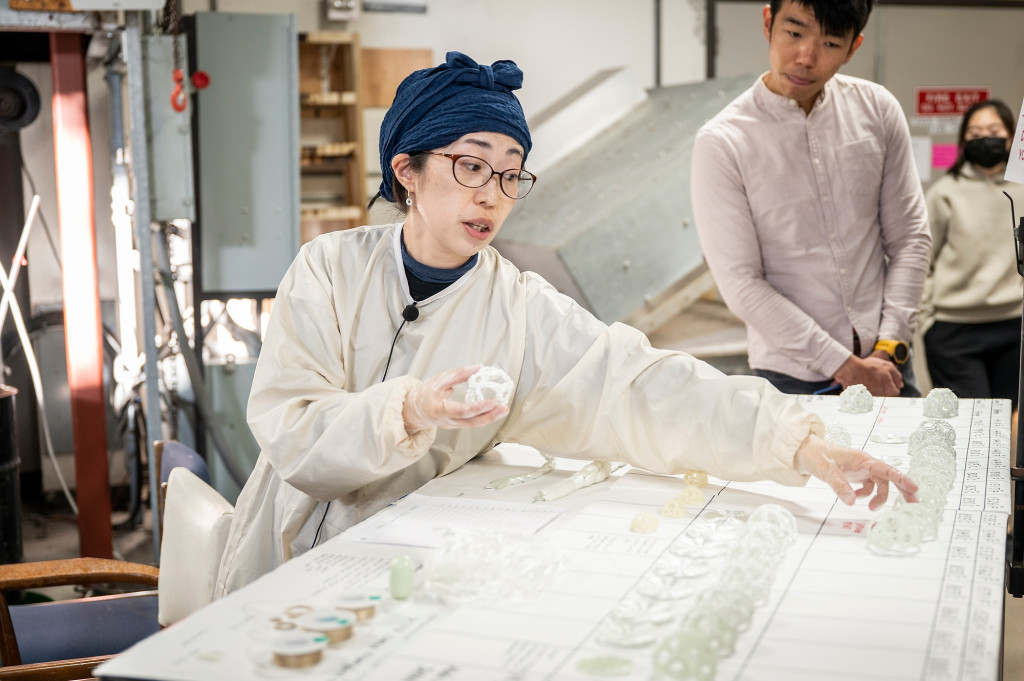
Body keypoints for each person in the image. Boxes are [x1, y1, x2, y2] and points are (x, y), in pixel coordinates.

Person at [214, 51, 917, 597]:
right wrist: (412, 405)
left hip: (412, 555)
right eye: (470, 166)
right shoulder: (328, 271)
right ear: (407, 172)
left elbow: (644, 388)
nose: (493, 195)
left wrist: (795, 444)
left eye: (511, 173)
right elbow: (296, 432)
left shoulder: (519, 308)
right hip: (285, 552)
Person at [691, 0, 931, 398]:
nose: (806, 57)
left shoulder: (877, 110)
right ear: (768, 22)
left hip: (888, 366)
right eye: (794, 32)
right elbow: (741, 282)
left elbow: (910, 238)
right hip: (792, 379)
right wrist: (845, 365)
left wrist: (890, 346)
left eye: (831, 43)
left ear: (854, 47)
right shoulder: (723, 142)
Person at [921, 99, 1024, 410]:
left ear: (1011, 136)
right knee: (971, 421)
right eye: (975, 132)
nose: (985, 138)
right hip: (954, 330)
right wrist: (927, 320)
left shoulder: (1021, 188)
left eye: (994, 130)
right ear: (963, 141)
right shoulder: (944, 193)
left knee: (1009, 423)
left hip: (1014, 326)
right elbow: (921, 261)